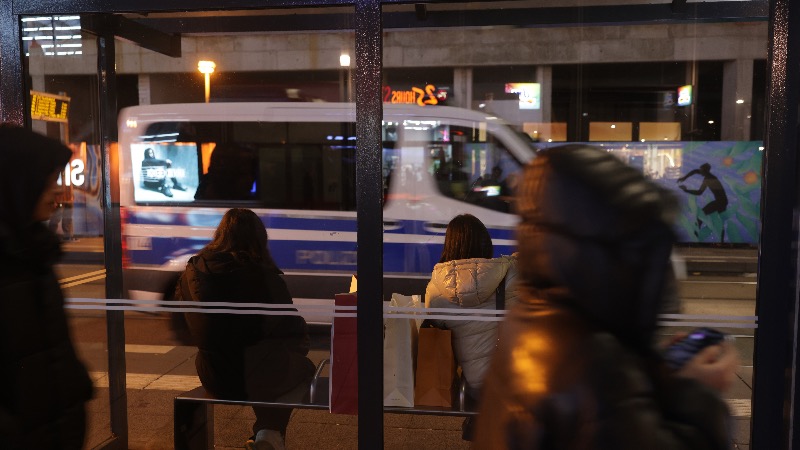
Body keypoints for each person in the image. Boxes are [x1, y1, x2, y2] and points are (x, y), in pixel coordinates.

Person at [474, 144, 738, 449]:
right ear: (616, 257)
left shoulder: (527, 320)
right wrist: (698, 396)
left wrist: (651, 371)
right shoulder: (598, 364)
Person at [174, 208, 315, 450]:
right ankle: (269, 432)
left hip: (213, 376)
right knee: (300, 368)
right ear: (260, 239)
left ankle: (265, 434)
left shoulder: (192, 274)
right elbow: (292, 329)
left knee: (266, 362)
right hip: (256, 375)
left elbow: (183, 324)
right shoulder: (264, 278)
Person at [0, 125, 94, 449]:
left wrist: (76, 387)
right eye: (49, 179)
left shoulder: (36, 252)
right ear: (16, 181)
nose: (59, 190)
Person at [424, 213, 519, 441]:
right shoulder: (511, 273)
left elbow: (435, 328)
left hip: (477, 385)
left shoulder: (436, 288)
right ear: (485, 243)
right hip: (515, 378)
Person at [677, 162, 729, 241]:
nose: (699, 171)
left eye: (701, 170)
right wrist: (684, 178)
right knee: (718, 221)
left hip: (720, 202)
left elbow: (699, 192)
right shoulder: (708, 176)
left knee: (701, 216)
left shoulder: (709, 179)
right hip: (722, 201)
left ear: (705, 171)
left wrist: (686, 190)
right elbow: (694, 171)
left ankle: (696, 237)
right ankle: (719, 240)